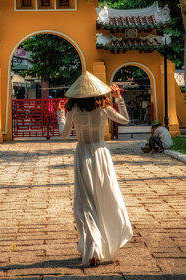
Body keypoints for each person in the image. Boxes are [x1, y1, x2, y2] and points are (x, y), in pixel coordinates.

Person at [57, 71, 132, 266]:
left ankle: (92, 249)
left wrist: (60, 114)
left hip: (83, 154)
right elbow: (125, 120)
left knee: (85, 202)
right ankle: (99, 246)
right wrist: (119, 99)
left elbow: (64, 134)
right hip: (101, 154)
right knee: (105, 196)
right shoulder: (104, 108)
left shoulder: (73, 110)